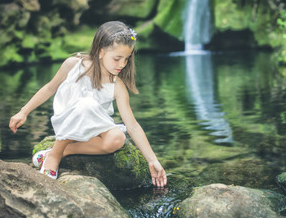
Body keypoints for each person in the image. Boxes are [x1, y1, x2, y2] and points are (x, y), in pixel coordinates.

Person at [9, 21, 167, 188]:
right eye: (117, 58)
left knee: (118, 138)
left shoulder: (117, 85)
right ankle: (54, 154)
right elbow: (49, 88)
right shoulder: (73, 64)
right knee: (86, 104)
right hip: (68, 122)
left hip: (93, 128)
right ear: (100, 52)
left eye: (126, 59)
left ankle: (66, 151)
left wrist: (152, 160)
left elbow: (132, 125)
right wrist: (23, 112)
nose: (122, 64)